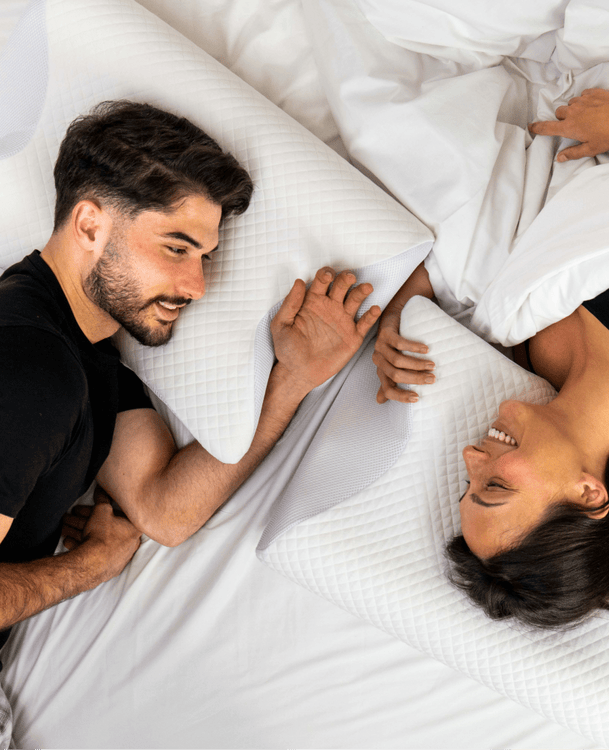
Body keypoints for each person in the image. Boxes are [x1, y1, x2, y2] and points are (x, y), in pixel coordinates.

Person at [372, 88, 609, 638]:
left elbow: (472, 254)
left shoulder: (532, 358)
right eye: (494, 486)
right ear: (588, 495)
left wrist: (394, 319)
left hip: (585, 93)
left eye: (467, 484)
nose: (471, 457)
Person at [0, 100, 380, 643]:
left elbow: (163, 509)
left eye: (204, 256)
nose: (197, 286)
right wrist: (91, 566)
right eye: (176, 248)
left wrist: (293, 378)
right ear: (89, 225)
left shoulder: (81, 351)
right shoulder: (32, 367)